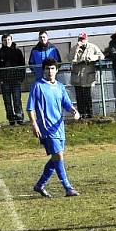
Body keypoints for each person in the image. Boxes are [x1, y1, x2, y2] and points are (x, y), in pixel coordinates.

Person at [28, 58, 81, 198]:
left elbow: (67, 104)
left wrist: (74, 111)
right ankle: (68, 187)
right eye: (47, 68)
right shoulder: (37, 86)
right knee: (58, 155)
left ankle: (40, 185)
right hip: (46, 128)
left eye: (52, 68)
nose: (50, 71)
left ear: (56, 70)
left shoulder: (60, 86)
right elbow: (30, 107)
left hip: (59, 127)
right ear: (43, 70)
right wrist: (34, 123)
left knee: (56, 157)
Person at [69, 32, 105, 119]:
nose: (81, 41)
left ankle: (89, 114)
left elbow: (102, 56)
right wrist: (76, 49)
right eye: (80, 39)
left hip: (88, 76)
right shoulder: (74, 48)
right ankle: (81, 114)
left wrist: (92, 58)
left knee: (88, 96)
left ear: (86, 39)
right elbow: (70, 58)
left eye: (83, 39)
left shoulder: (92, 47)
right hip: (77, 76)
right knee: (79, 96)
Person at [0, 33, 26, 125]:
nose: (7, 42)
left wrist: (21, 78)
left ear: (11, 40)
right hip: (5, 82)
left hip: (16, 81)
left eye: (8, 39)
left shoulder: (18, 52)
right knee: (7, 101)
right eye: (4, 40)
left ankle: (19, 117)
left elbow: (22, 66)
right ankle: (11, 119)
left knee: (17, 99)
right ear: (2, 41)